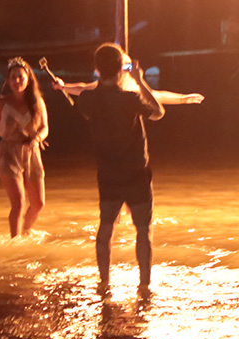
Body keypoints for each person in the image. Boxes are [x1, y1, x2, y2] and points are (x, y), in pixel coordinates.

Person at [62, 43, 164, 290]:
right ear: (121, 69)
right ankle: (144, 285)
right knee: (143, 230)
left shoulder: (88, 100)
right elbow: (158, 112)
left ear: (97, 69)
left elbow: (88, 104)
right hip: (136, 172)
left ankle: (104, 282)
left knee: (106, 227)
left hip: (108, 173)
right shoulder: (130, 98)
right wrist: (139, 81)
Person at [0, 57, 49, 237]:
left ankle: (25, 231)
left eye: (20, 77)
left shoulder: (37, 102)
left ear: (28, 79)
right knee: (18, 203)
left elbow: (45, 128)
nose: (17, 81)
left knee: (38, 203)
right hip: (8, 153)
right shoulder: (0, 104)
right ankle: (15, 243)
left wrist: (37, 138)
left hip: (32, 151)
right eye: (13, 77)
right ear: (7, 80)